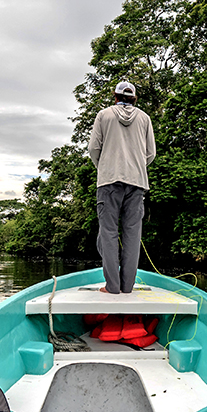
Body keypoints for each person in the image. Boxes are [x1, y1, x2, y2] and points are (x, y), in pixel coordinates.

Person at [87, 81, 156, 294]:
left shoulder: (103, 115)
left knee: (108, 232)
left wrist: (104, 166)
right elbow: (150, 153)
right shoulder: (145, 118)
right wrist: (135, 167)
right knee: (133, 234)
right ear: (133, 98)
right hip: (137, 183)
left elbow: (93, 148)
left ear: (115, 96)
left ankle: (112, 287)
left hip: (108, 181)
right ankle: (127, 287)